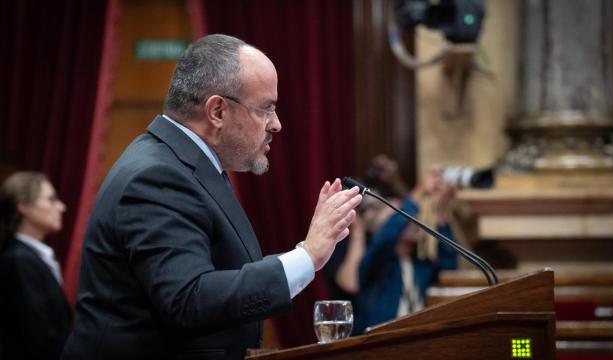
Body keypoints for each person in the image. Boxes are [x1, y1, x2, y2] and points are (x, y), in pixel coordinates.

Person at [62, 34, 362, 359]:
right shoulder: (157, 176)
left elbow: (217, 277)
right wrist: (308, 256)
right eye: (266, 109)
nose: (276, 124)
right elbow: (189, 298)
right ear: (217, 111)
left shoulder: (184, 164)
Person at [355, 162, 459, 334]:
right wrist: (418, 192)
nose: (413, 219)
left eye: (413, 216)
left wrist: (440, 212)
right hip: (381, 344)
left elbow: (450, 267)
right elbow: (387, 237)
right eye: (402, 216)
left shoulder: (420, 265)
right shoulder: (378, 265)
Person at [0, 171, 71, 360]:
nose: (61, 207)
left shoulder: (32, 256)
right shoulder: (19, 260)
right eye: (51, 199)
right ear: (24, 206)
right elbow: (39, 340)